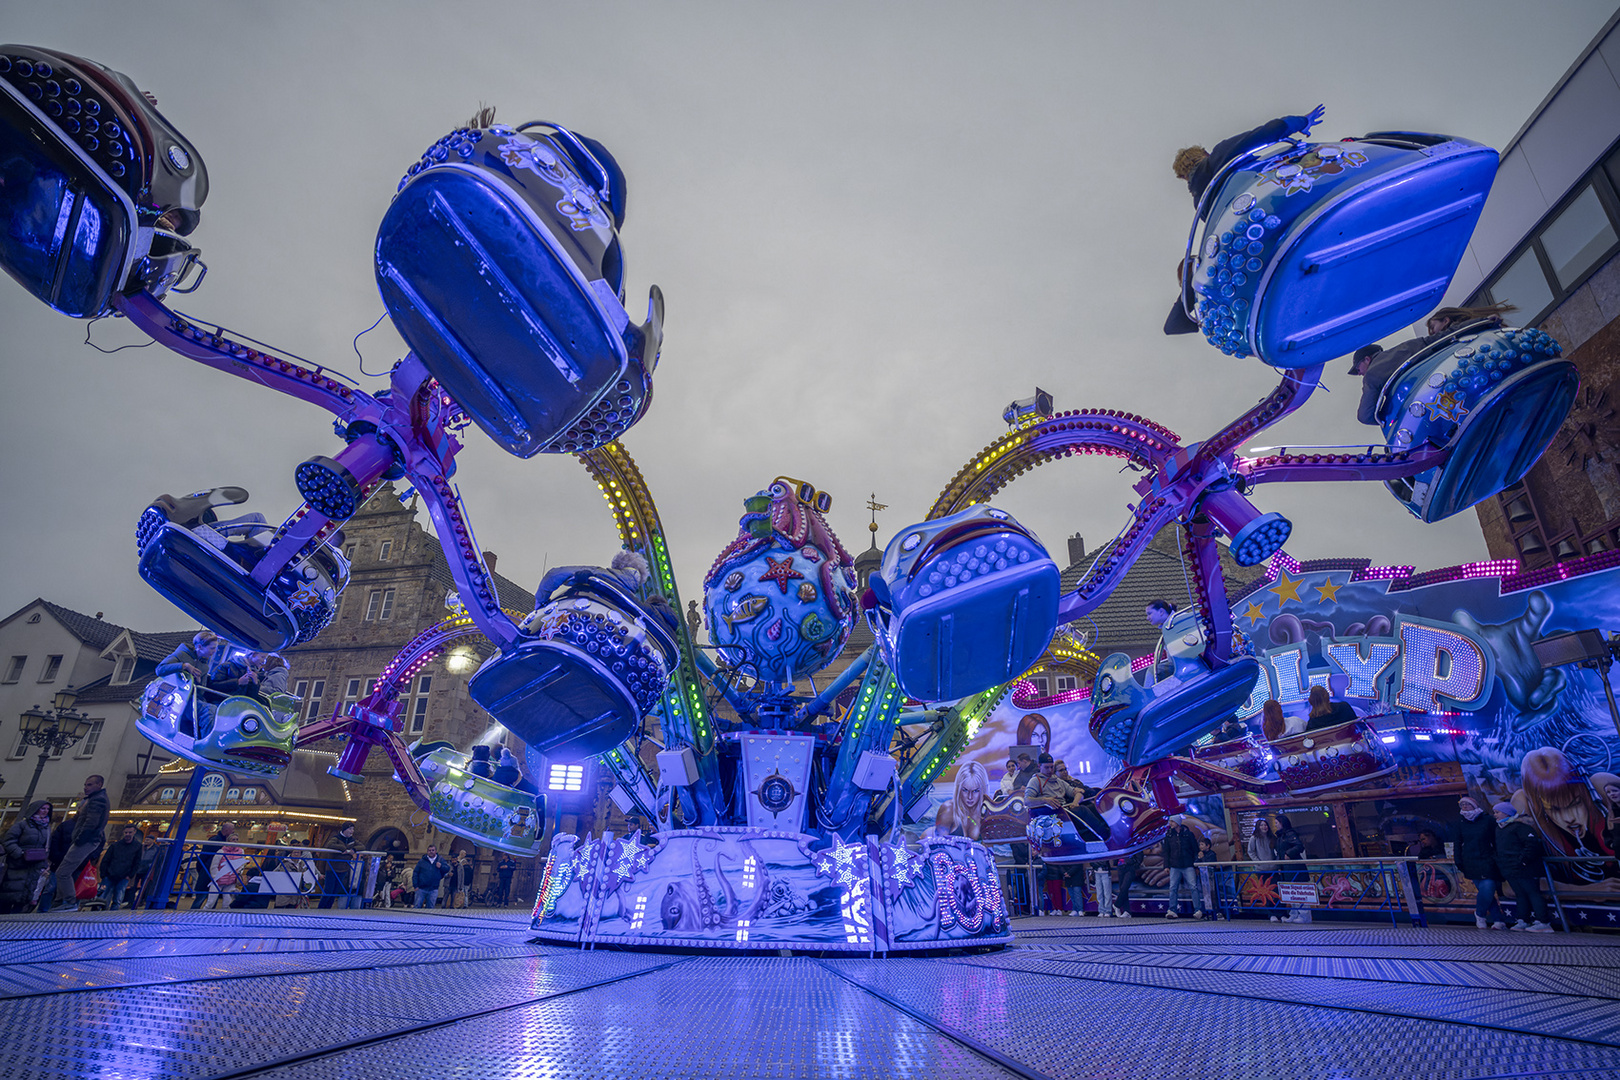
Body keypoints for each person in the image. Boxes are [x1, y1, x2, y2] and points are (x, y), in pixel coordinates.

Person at [1164, 107, 1325, 335]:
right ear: (1205, 154)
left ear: (1183, 177)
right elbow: (1259, 136)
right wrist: (1296, 123)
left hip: (1259, 235)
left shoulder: (1203, 205)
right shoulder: (1219, 158)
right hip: (1278, 201)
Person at [1350, 304, 1515, 426]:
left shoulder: (1372, 376)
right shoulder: (1408, 346)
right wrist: (1484, 322)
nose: (1359, 374)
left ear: (1367, 359)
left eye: (1358, 369)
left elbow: (1365, 416)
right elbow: (1445, 337)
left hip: (1433, 408)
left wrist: (1391, 414)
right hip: (1460, 381)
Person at [1520, 747, 1615, 884]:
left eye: (1575, 803)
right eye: (1554, 809)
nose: (1569, 817)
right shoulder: (1532, 813)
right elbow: (1511, 887)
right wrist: (1585, 892)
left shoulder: (1602, 787)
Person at [50, 774, 110, 912]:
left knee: (63, 872)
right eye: (85, 785)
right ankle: (62, 901)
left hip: (85, 841)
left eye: (89, 785)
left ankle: (69, 901)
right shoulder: (98, 799)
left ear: (99, 785)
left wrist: (79, 839)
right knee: (65, 872)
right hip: (86, 840)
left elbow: (91, 823)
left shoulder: (97, 800)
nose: (86, 787)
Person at [1493, 802, 1554, 932]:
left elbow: (1531, 845)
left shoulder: (1521, 827)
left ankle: (1543, 921)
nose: (1495, 815)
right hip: (1510, 868)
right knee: (1520, 894)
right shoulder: (1500, 829)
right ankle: (1523, 919)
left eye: (1497, 812)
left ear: (1506, 813)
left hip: (1525, 868)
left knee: (1533, 893)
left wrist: (1523, 861)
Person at [1457, 795, 1508, 929]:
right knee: (1486, 891)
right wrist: (1459, 860)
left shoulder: (1487, 820)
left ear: (1474, 805)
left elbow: (1496, 839)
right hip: (1470, 860)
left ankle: (1479, 914)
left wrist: (1497, 856)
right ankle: (1498, 919)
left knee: (1488, 887)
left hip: (1487, 859)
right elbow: (1457, 842)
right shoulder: (1460, 823)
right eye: (1462, 805)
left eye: (1467, 804)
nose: (1464, 807)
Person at [1, 800, 53, 914]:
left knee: (27, 892)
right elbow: (8, 841)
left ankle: (18, 916)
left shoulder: (46, 828)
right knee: (10, 891)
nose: (46, 811)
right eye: (43, 808)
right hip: (18, 864)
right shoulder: (22, 825)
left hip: (35, 864)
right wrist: (19, 853)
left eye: (47, 809)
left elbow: (46, 846)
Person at [1161, 819, 1205, 919]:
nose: (1170, 823)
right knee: (1173, 888)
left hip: (1188, 864)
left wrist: (1196, 864)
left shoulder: (1188, 834)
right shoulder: (1168, 835)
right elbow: (1166, 851)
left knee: (1193, 887)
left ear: (1178, 822)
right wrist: (1166, 865)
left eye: (1172, 821)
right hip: (1174, 865)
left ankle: (1198, 910)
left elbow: (1194, 849)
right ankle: (1172, 910)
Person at [935, 761, 989, 841]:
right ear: (958, 789)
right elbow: (939, 845)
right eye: (965, 790)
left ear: (983, 790)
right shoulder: (948, 809)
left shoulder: (987, 812)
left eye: (975, 791)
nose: (970, 797)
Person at [99, 825, 143, 910]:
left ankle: (110, 913)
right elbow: (106, 860)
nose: (127, 834)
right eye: (126, 832)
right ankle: (105, 912)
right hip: (110, 874)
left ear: (134, 832)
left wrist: (130, 875)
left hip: (123, 876)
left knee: (116, 897)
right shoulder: (115, 845)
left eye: (130, 832)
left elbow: (137, 862)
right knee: (105, 897)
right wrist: (104, 874)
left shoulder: (137, 846)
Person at [192, 821, 236, 908]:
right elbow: (204, 857)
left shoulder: (215, 840)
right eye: (232, 830)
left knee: (203, 897)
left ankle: (193, 914)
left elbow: (203, 857)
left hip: (208, 872)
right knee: (210, 897)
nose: (233, 831)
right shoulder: (218, 842)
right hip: (211, 872)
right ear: (227, 830)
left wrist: (201, 869)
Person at [319, 823, 360, 909]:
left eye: (352, 829)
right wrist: (343, 848)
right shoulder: (336, 838)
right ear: (344, 829)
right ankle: (321, 908)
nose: (352, 831)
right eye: (350, 829)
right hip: (332, 868)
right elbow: (329, 845)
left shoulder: (352, 840)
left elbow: (362, 846)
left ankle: (327, 908)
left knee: (335, 890)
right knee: (329, 890)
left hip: (343, 868)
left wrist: (354, 849)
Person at [199, 844, 247, 910]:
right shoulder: (221, 852)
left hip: (231, 880)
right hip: (218, 881)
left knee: (227, 903)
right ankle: (203, 915)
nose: (235, 841)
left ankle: (225, 917)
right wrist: (216, 877)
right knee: (210, 902)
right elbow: (214, 865)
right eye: (233, 839)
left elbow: (241, 865)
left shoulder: (241, 852)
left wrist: (237, 874)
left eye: (236, 839)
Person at [1112, 849, 1145, 918]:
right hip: (1120, 866)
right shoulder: (1120, 843)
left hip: (1130, 867)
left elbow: (1140, 853)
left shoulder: (1133, 842)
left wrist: (1135, 864)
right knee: (1123, 890)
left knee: (1125, 887)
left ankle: (1117, 904)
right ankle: (1127, 911)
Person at [1196, 834, 1220, 917]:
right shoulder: (1200, 854)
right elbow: (1196, 863)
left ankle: (1217, 912)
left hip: (1211, 877)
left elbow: (1210, 864)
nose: (1200, 846)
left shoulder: (1212, 854)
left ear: (1208, 846)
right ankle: (1208, 912)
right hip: (1203, 878)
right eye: (1200, 845)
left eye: (1202, 845)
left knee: (1213, 895)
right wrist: (1199, 858)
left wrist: (1202, 858)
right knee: (1205, 895)